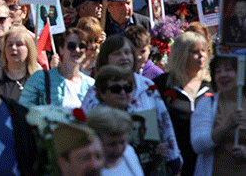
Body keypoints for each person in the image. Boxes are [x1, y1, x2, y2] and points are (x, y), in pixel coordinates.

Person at [82, 35, 182, 173]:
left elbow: (164, 122)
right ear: (106, 58)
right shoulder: (94, 93)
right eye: (117, 54)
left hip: (149, 166)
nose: (124, 57)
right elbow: (85, 131)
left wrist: (172, 154)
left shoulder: (147, 85)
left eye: (127, 52)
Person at [153, 31, 212, 176]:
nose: (202, 56)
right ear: (181, 54)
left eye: (204, 51)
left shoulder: (212, 85)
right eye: (195, 52)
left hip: (205, 164)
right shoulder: (162, 84)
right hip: (172, 165)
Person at [191, 55, 246, 176]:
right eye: (218, 71)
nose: (223, 75)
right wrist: (227, 126)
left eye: (228, 69)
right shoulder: (207, 104)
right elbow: (198, 145)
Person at [19, 28, 94, 108]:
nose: (77, 50)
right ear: (61, 49)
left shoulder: (91, 84)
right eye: (71, 46)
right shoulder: (40, 78)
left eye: (82, 46)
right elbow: (22, 110)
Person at [84, 107, 142, 176]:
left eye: (122, 142)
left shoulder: (129, 152)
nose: (119, 149)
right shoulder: (85, 170)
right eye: (112, 144)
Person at [0, 25, 41, 102]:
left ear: (29, 49)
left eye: (19, 44)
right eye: (9, 45)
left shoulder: (39, 80)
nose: (13, 48)